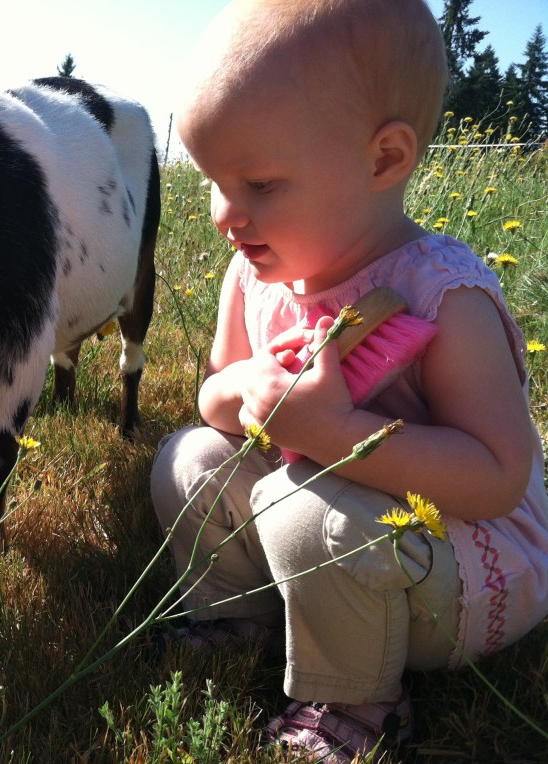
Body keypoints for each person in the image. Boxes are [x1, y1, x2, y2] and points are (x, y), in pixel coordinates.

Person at [149, 0, 548, 760]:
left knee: (309, 513)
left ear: (384, 160)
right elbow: (214, 395)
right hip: (321, 523)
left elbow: (497, 476)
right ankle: (239, 613)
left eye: (259, 182)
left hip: (456, 564)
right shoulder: (253, 273)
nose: (226, 214)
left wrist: (335, 434)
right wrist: (249, 388)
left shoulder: (442, 294)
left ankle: (358, 701)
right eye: (213, 180)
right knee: (189, 457)